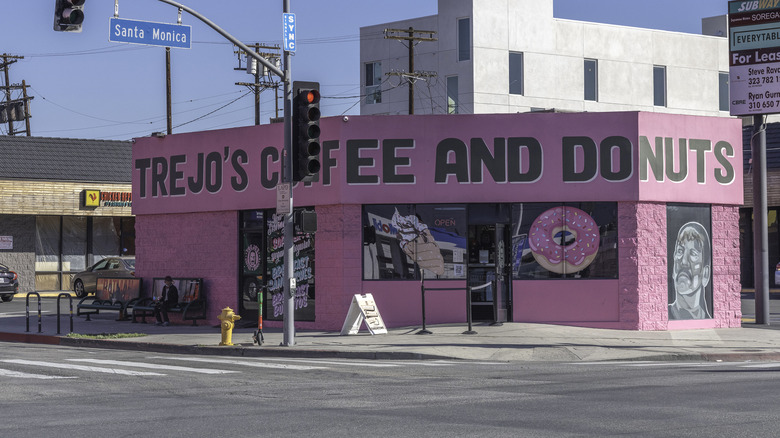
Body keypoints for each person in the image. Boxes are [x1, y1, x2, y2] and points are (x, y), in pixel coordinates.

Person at [668, 222, 711, 320]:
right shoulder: (664, 315)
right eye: (680, 251)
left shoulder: (706, 319)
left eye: (693, 254)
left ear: (705, 274)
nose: (684, 261)